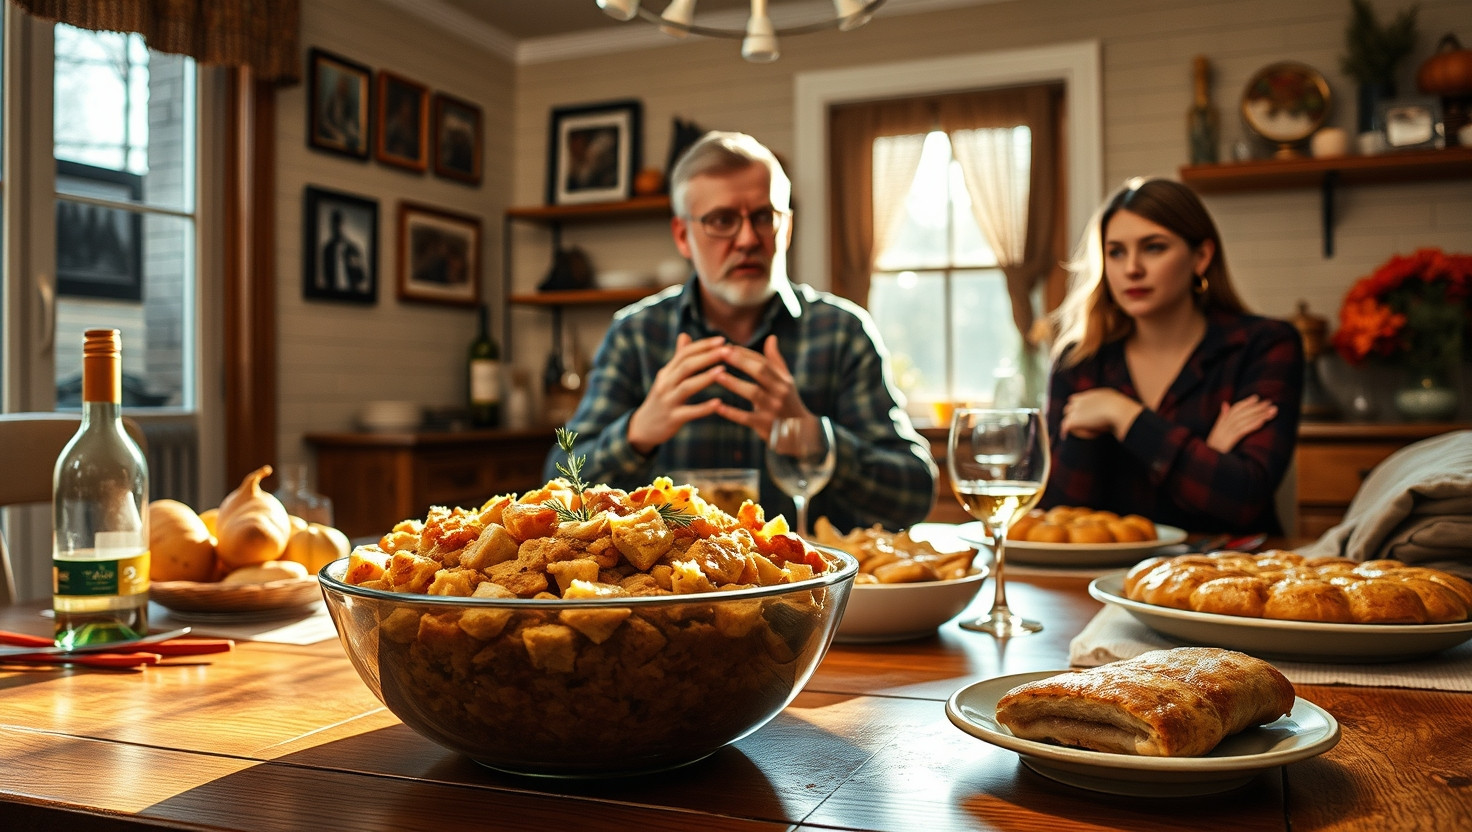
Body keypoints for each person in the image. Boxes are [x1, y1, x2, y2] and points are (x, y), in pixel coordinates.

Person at [545, 131, 936, 531]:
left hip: (806, 571)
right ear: (682, 236)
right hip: (677, 572)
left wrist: (817, 440)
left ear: (786, 228)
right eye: (722, 220)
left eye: (764, 217)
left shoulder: (842, 333)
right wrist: (636, 433)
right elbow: (556, 488)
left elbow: (914, 495)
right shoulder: (636, 334)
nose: (748, 239)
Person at [1038, 177, 1303, 534]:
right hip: (1111, 567)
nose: (1132, 268)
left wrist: (1124, 415)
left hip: (1232, 564)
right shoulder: (1079, 361)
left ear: (1201, 257)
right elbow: (1056, 524)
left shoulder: (1263, 345)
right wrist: (1206, 457)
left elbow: (1243, 500)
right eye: (1116, 252)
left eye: (1153, 247)